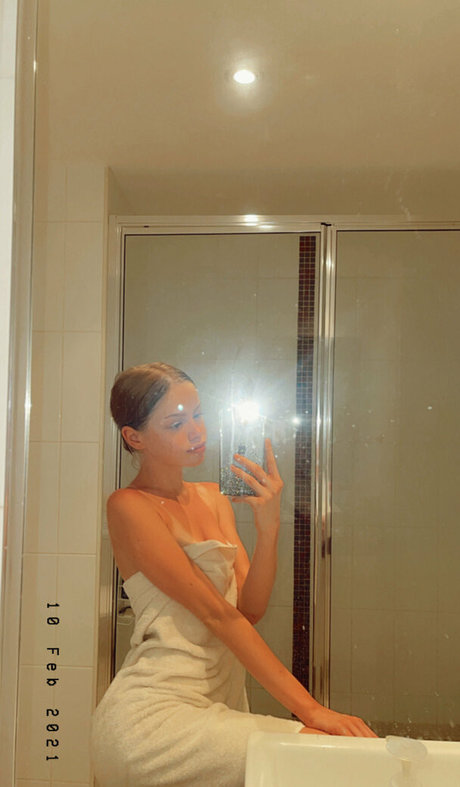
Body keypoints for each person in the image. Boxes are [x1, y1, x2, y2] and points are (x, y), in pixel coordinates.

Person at [91, 362, 376, 787]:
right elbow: (217, 615)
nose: (196, 432)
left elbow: (249, 610)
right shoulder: (129, 506)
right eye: (176, 424)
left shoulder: (214, 498)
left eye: (199, 415)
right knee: (327, 756)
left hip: (216, 704)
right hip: (153, 718)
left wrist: (268, 526)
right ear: (134, 438)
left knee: (331, 759)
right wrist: (312, 711)